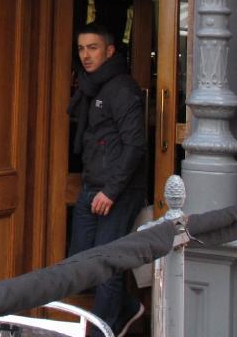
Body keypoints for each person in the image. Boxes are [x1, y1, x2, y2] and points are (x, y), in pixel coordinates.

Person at [67, 22, 147, 337]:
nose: (86, 55)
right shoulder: (91, 86)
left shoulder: (122, 89)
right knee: (81, 264)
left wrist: (111, 191)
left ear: (110, 50)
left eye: (93, 48)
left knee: (107, 266)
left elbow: (135, 146)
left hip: (117, 191)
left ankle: (100, 333)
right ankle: (127, 308)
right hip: (92, 186)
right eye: (81, 49)